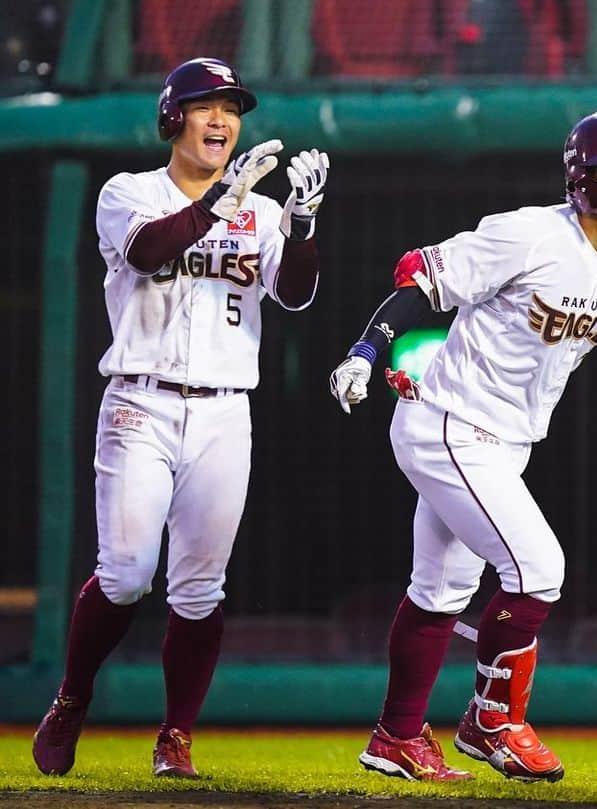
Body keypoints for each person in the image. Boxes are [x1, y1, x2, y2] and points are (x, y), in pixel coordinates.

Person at [330, 109, 597, 782]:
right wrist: (365, 351)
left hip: (502, 441)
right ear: (582, 176)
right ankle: (493, 720)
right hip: (451, 425)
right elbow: (421, 276)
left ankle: (396, 735)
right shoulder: (528, 233)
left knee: (440, 589)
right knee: (538, 567)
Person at [31, 57, 329, 779]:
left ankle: (176, 734)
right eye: (205, 106)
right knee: (128, 573)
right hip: (142, 399)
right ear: (173, 118)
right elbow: (147, 249)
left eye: (232, 108)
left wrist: (306, 222)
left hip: (226, 410)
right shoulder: (129, 191)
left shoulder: (259, 209)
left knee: (199, 589)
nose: (222, 120)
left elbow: (294, 295)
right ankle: (73, 696)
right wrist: (224, 199)